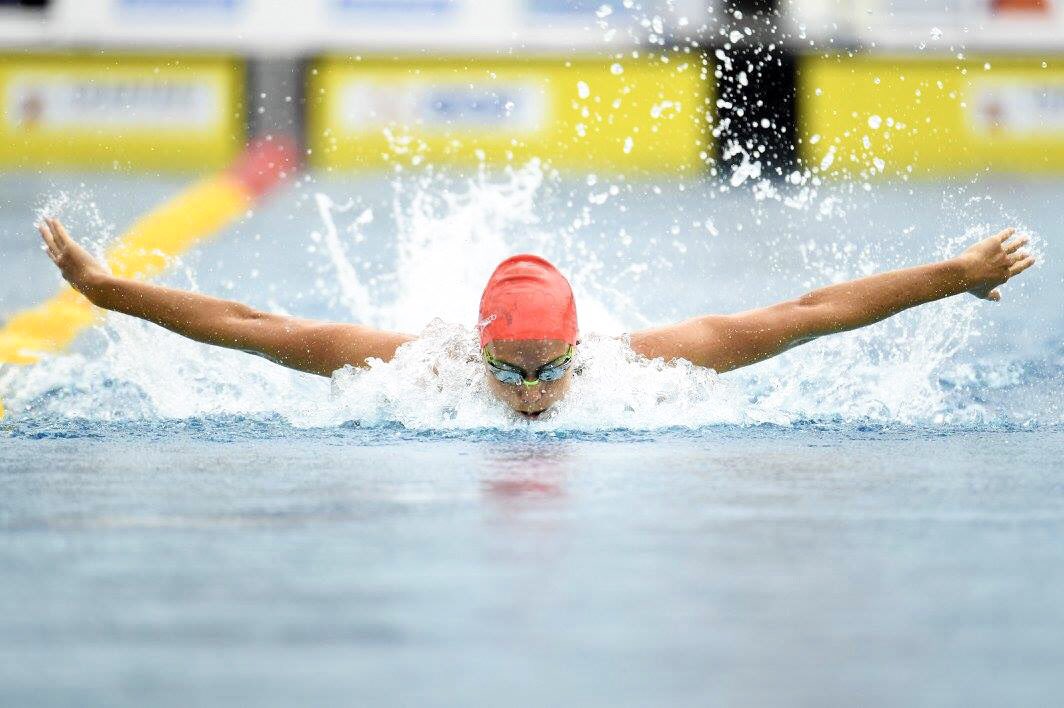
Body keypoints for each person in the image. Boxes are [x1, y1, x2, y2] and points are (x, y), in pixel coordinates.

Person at [36, 217, 1036, 418]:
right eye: (509, 372)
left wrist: (951, 274)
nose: (529, 394)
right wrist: (105, 290)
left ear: (575, 346)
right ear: (476, 348)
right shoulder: (417, 369)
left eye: (546, 368)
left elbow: (807, 313)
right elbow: (250, 324)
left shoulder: (635, 367)